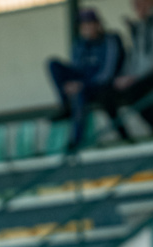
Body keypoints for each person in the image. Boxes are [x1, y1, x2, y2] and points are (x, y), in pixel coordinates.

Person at [98, 0, 153, 140]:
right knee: (107, 94)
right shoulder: (141, 25)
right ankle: (127, 136)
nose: (137, 7)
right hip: (140, 77)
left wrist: (135, 77)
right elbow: (135, 55)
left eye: (140, 3)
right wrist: (126, 75)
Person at [47, 8, 124, 150]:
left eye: (89, 23)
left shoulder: (110, 40)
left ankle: (76, 141)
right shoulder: (80, 44)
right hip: (83, 84)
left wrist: (82, 85)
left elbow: (107, 73)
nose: (86, 28)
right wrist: (72, 85)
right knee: (53, 64)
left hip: (103, 86)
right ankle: (65, 105)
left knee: (81, 93)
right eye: (83, 25)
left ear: (98, 24)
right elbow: (76, 68)